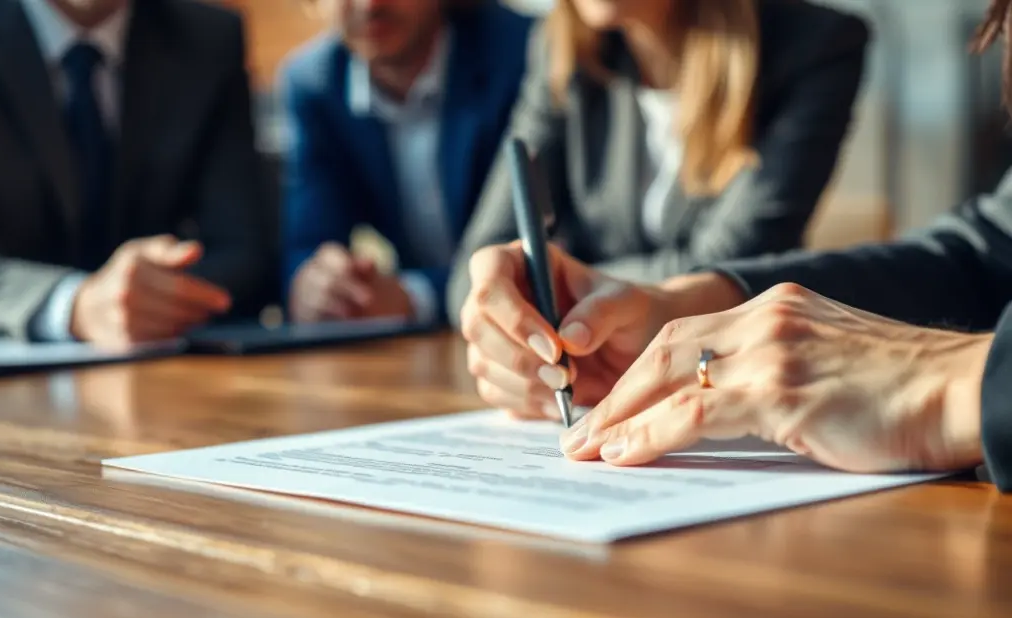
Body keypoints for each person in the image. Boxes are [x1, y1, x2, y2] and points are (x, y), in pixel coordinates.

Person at [457, 1, 1012, 492]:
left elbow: (747, 238)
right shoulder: (565, 48)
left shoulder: (812, 44)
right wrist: (679, 304)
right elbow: (992, 247)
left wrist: (956, 384)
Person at [0, 0, 278, 347]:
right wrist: (74, 304)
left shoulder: (208, 39)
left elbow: (243, 251)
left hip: (154, 382)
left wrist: (154, 295)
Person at [446, 0, 871, 323]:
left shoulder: (816, 46)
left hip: (725, 366)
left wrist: (551, 284)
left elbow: (730, 265)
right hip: (589, 378)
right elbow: (477, 271)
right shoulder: (563, 48)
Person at [281, 0, 532, 326]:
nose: (370, 5)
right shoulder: (314, 83)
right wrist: (318, 285)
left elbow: (547, 251)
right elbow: (307, 243)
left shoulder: (523, 52)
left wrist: (415, 295)